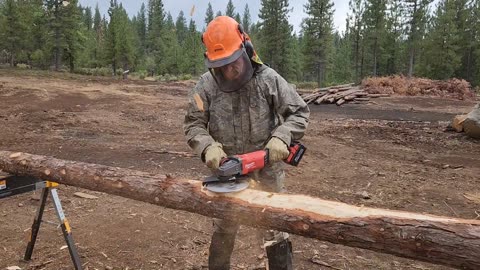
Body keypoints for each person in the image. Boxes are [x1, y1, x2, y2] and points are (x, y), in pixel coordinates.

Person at [183, 16, 309, 270]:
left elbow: (299, 113)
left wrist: (281, 137)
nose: (229, 71)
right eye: (222, 65)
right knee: (223, 228)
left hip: (267, 170)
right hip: (227, 174)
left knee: (275, 229)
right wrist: (208, 147)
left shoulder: (268, 79)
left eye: (232, 62)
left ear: (245, 47)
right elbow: (193, 123)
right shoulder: (206, 86)